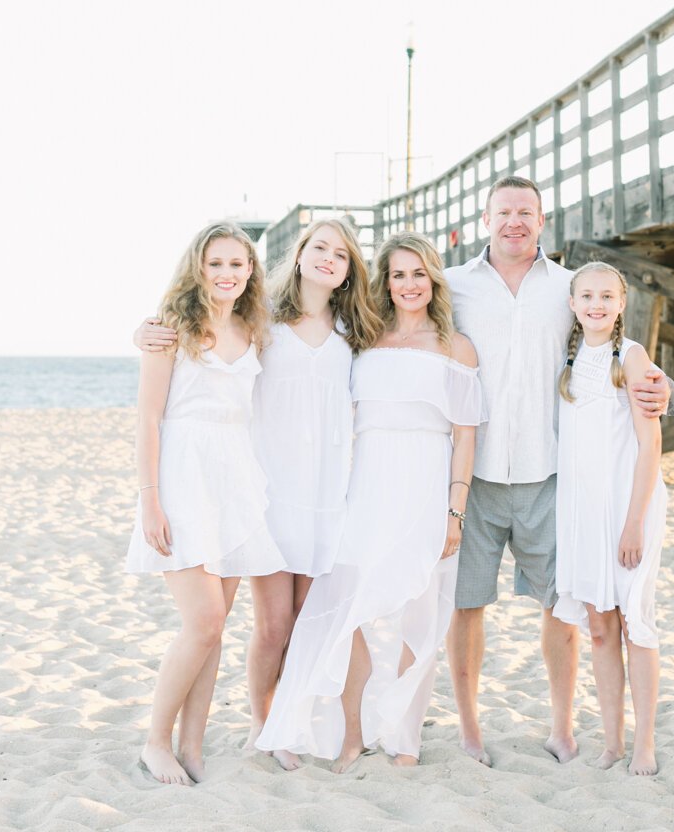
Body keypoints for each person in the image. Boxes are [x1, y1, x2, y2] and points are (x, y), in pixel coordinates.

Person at [132, 219, 382, 771]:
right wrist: (142, 333)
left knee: (298, 620)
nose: (328, 259)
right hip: (258, 486)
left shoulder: (348, 327)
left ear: (350, 269)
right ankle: (251, 724)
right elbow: (160, 389)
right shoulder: (266, 319)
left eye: (340, 253)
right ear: (296, 256)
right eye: (318, 247)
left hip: (298, 489)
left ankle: (213, 743)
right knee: (256, 624)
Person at [444, 175, 673, 766]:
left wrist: (662, 385)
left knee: (562, 608)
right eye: (504, 212)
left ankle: (562, 728)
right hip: (476, 475)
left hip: (551, 479)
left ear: (542, 220)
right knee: (466, 605)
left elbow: (617, 345)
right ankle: (469, 729)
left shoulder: (571, 287)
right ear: (485, 218)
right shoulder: (455, 286)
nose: (515, 221)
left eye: (526, 212)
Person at [255, 232, 483, 771]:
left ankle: (405, 738)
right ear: (384, 282)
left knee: (420, 616)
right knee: (343, 608)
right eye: (398, 275)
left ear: (434, 280)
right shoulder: (364, 338)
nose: (409, 285)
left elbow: (466, 435)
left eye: (419, 274)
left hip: (427, 484)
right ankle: (351, 734)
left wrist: (455, 511)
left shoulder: (456, 346)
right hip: (364, 483)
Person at [126, 222, 285, 786]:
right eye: (216, 263)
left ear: (251, 271)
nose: (227, 274)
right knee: (205, 620)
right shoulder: (170, 329)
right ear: (198, 267)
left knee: (216, 629)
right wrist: (150, 500)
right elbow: (148, 417)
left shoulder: (252, 328)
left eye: (237, 264)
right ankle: (154, 741)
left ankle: (192, 747)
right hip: (183, 479)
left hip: (235, 481)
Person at [550, 261, 670, 776]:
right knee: (599, 626)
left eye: (606, 296)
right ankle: (613, 743)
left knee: (633, 622)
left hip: (626, 508)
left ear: (621, 304)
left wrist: (633, 522)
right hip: (582, 511)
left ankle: (644, 744)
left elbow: (650, 444)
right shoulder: (571, 357)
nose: (596, 304)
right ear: (573, 306)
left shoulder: (633, 355)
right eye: (586, 296)